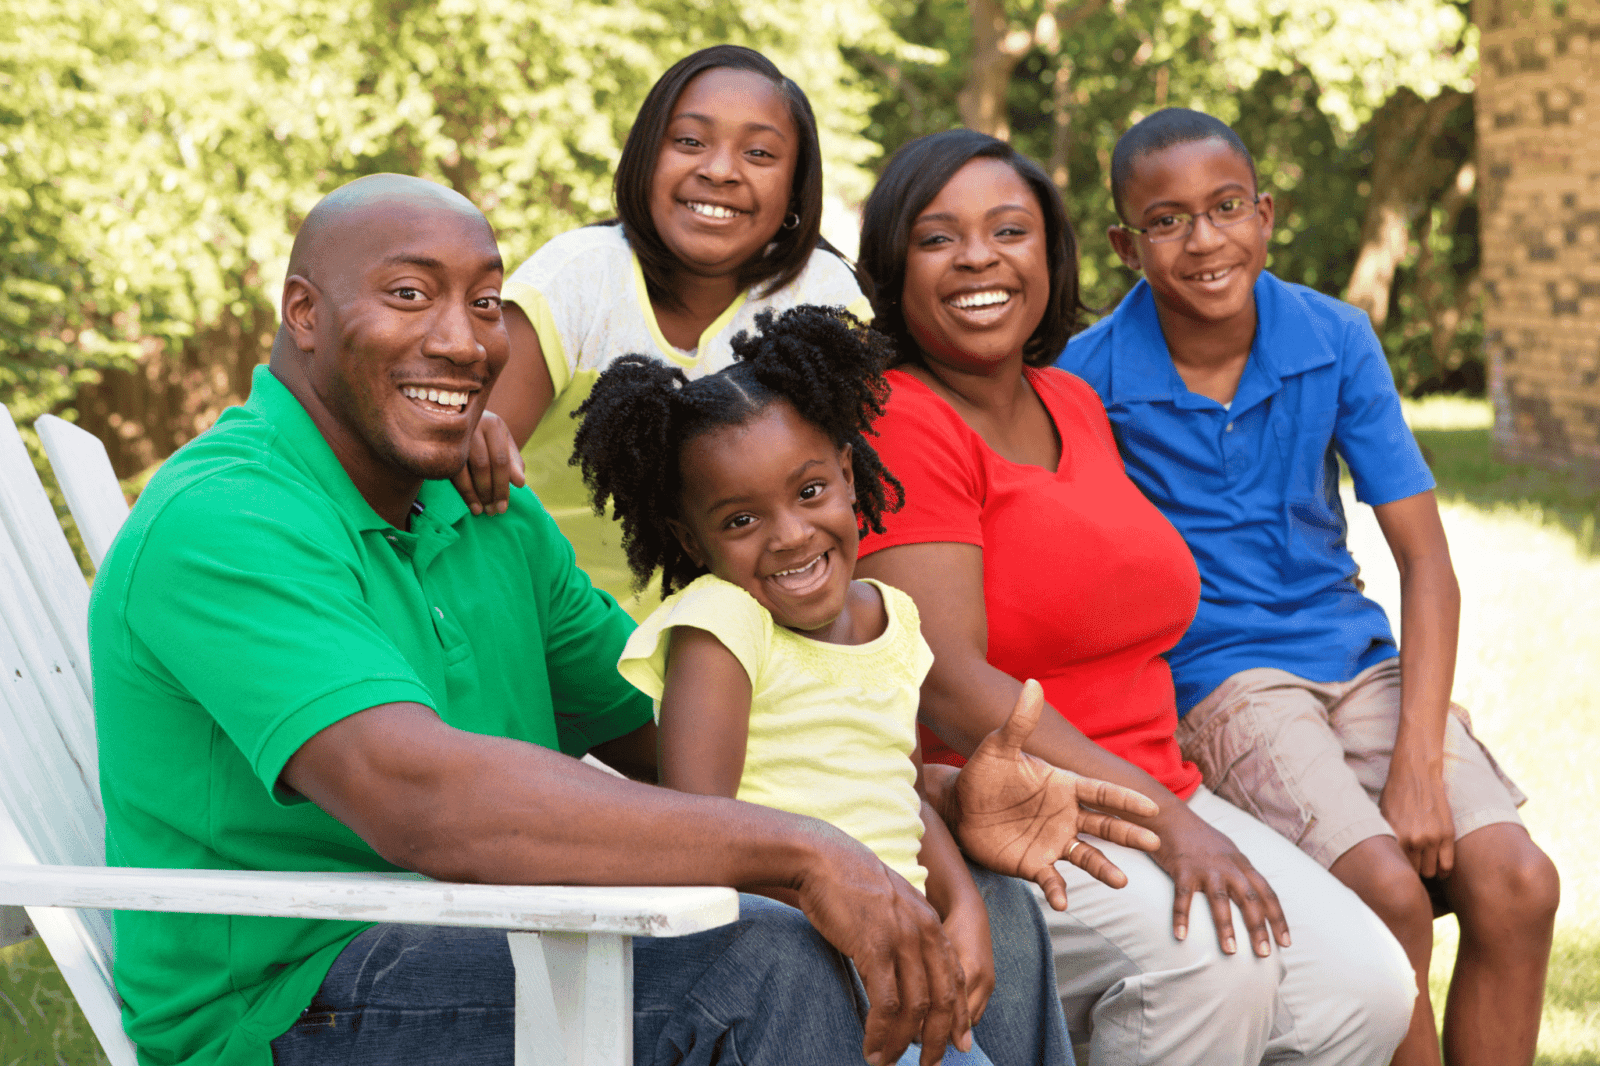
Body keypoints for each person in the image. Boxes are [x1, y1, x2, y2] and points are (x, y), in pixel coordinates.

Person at [87, 173, 1146, 1066]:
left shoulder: (483, 512)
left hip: (503, 925)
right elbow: (420, 799)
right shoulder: (227, 518)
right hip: (299, 989)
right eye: (410, 295)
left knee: (986, 912)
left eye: (488, 302)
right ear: (304, 313)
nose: (461, 340)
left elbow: (681, 736)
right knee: (766, 951)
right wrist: (808, 855)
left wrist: (929, 799)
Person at [851, 128, 1416, 1066]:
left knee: (1364, 986)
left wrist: (1175, 808)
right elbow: (949, 679)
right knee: (1210, 969)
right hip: (1015, 810)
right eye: (938, 238)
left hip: (1157, 777)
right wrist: (1173, 823)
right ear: (895, 270)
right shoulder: (902, 417)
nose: (980, 257)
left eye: (1009, 230)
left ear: (1050, 252)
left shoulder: (1068, 399)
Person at [1054, 107, 1560, 1066]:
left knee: (1518, 880)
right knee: (1389, 892)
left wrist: (1417, 762)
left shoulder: (1334, 336)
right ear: (1125, 243)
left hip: (1356, 659)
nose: (1204, 239)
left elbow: (1427, 564)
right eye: (1165, 220)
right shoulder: (1089, 379)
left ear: (1267, 214)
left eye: (1227, 206)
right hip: (1223, 679)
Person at [571, 305, 1165, 1066]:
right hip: (796, 959)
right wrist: (855, 914)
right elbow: (703, 833)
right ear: (692, 541)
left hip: (904, 947)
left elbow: (903, 791)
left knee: (1003, 923)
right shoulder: (721, 625)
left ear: (849, 477)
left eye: (810, 492)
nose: (789, 533)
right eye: (742, 519)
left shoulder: (895, 617)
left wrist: (961, 910)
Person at [452, 45, 868, 613]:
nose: (720, 169)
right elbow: (472, 468)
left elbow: (846, 496)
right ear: (647, 157)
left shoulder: (820, 294)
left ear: (796, 188)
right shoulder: (579, 275)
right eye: (690, 142)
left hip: (767, 642)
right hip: (563, 631)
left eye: (760, 153)